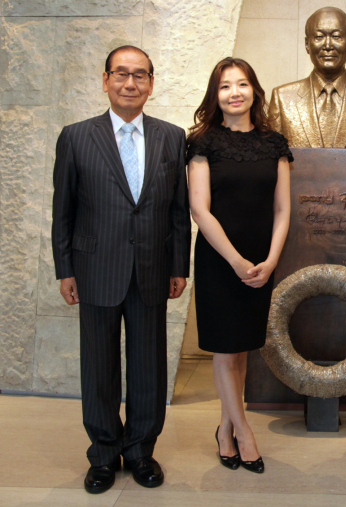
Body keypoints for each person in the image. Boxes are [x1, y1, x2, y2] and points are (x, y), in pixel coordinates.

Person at [51, 46, 191, 494]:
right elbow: (63, 211)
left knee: (149, 363)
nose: (131, 83)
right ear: (106, 79)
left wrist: (179, 266)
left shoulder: (172, 137)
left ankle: (141, 451)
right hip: (94, 268)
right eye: (121, 74)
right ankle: (104, 453)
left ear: (152, 82)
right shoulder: (75, 136)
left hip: (152, 267)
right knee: (99, 365)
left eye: (140, 75)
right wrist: (65, 268)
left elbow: (178, 209)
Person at [187, 57, 292, 474]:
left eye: (242, 84)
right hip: (220, 258)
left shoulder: (274, 143)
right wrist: (235, 260)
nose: (234, 92)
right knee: (226, 348)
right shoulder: (203, 142)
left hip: (261, 261)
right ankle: (244, 433)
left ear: (254, 91)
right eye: (225, 86)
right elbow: (200, 208)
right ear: (216, 95)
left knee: (243, 347)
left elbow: (283, 210)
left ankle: (225, 428)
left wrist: (269, 261)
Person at [268, 6, 346, 149]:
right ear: (307, 44)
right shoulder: (282, 98)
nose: (327, 45)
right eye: (319, 37)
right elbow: (273, 161)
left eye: (336, 36)